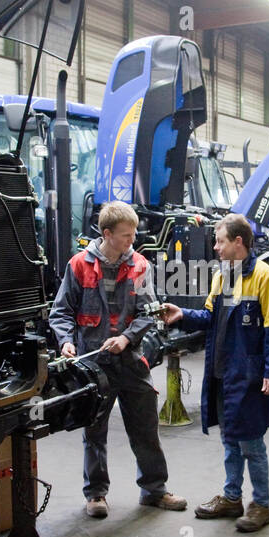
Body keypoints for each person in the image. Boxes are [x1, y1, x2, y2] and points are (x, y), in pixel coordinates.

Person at [49, 201, 187, 518]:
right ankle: (96, 494)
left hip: (129, 360)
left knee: (145, 428)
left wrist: (126, 338)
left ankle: (154, 490)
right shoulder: (79, 265)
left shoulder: (139, 266)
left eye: (134, 233)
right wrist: (67, 342)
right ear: (107, 234)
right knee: (94, 430)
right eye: (126, 235)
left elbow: (148, 313)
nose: (132, 240)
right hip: (92, 363)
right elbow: (61, 312)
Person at [162, 213, 269, 532]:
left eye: (220, 241)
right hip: (223, 373)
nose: (216, 247)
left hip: (249, 375)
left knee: (251, 443)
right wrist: (181, 315)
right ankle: (232, 498)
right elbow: (209, 318)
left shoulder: (264, 276)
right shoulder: (224, 276)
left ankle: (262, 505)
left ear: (238, 242)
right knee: (230, 439)